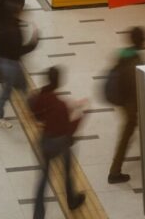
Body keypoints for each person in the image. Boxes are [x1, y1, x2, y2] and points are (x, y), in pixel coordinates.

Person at [30, 67, 86, 217]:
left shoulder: (42, 96)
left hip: (45, 141)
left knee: (43, 178)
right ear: (59, 81)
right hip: (59, 143)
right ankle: (72, 200)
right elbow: (68, 129)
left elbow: (36, 112)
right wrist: (81, 115)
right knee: (67, 169)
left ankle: (38, 213)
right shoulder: (60, 105)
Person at [108, 26, 145, 184]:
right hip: (129, 104)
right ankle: (114, 172)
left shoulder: (125, 54)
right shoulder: (135, 63)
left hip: (122, 100)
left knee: (129, 131)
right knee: (126, 134)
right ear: (142, 41)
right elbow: (136, 89)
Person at [0, 7, 37, 128]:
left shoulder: (4, 24)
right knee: (6, 92)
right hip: (10, 64)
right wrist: (33, 43)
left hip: (4, 61)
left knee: (23, 85)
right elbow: (18, 51)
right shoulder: (14, 30)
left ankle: (32, 111)